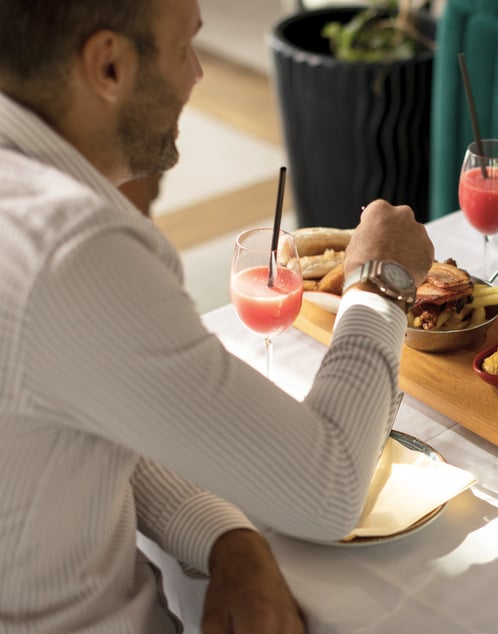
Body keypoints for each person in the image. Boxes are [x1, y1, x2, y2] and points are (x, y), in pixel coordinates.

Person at [0, 0, 434, 632]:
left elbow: (88, 410)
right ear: (110, 66)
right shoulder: (73, 250)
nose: (199, 73)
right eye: (184, 47)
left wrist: (226, 534)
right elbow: (329, 488)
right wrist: (381, 281)